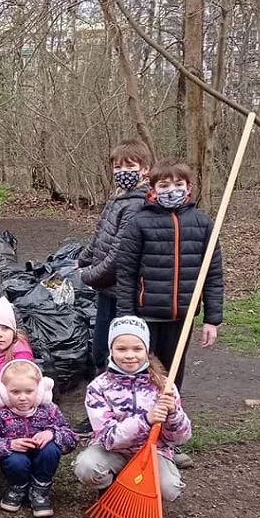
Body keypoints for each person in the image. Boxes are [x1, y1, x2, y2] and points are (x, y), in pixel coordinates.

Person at [115, 159, 222, 469]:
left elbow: (213, 273)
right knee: (138, 375)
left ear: (189, 188)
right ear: (153, 189)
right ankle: (132, 436)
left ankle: (168, 441)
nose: (171, 190)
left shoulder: (202, 224)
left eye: (178, 185)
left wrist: (212, 318)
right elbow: (126, 272)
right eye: (164, 185)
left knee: (171, 381)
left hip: (182, 317)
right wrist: (126, 319)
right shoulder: (140, 222)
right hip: (145, 317)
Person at [74, 317, 191, 501]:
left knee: (171, 490)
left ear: (146, 350)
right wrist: (145, 420)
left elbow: (180, 438)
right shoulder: (99, 387)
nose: (130, 355)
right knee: (88, 467)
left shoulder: (163, 386)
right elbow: (107, 438)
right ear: (111, 350)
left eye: (137, 348)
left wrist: (173, 415)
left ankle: (140, 488)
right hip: (113, 451)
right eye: (121, 349)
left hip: (151, 452)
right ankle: (110, 489)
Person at [78, 139, 154, 371]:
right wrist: (82, 258)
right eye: (118, 167)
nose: (123, 173)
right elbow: (102, 233)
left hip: (122, 290)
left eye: (130, 167)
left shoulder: (137, 204)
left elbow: (118, 254)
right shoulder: (118, 198)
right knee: (101, 345)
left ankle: (116, 392)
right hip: (107, 289)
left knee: (112, 347)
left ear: (144, 169)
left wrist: (88, 276)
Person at [0, 360, 78, 518]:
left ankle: (40, 489)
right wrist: (9, 444)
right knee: (17, 461)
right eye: (15, 392)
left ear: (40, 391)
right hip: (15, 459)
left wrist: (51, 433)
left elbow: (71, 438)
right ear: (2, 392)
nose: (23, 398)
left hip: (42, 456)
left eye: (29, 392)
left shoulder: (49, 409)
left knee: (50, 449)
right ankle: (19, 486)